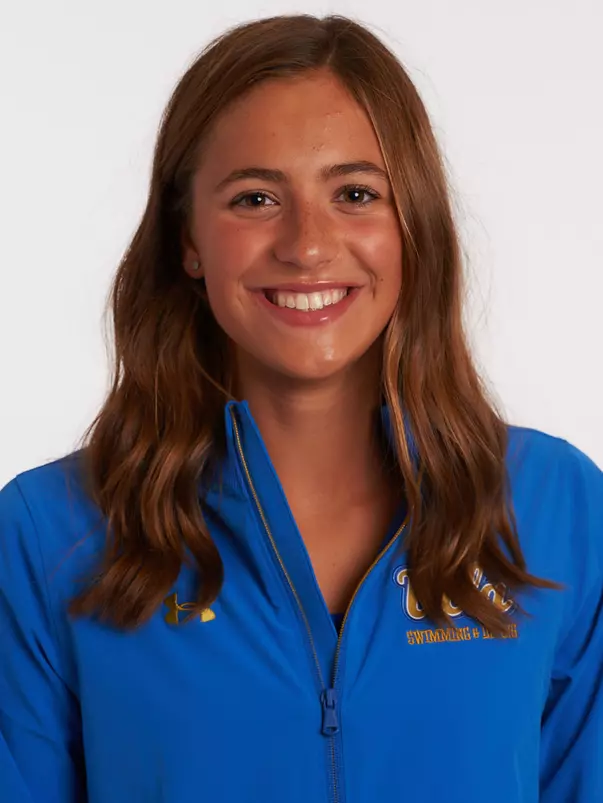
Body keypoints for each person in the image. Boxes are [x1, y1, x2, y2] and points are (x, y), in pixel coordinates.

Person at [0, 12, 601, 803]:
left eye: (355, 193)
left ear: (412, 224)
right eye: (254, 198)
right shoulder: (48, 532)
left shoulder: (557, 507)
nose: (308, 245)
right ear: (188, 240)